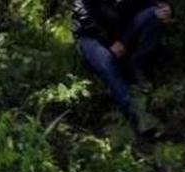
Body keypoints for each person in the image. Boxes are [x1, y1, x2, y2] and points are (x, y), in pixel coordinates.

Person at [71, 0, 172, 135]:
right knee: (106, 63)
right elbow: (86, 18)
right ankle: (136, 113)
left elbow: (151, 4)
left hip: (122, 30)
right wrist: (112, 42)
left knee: (154, 15)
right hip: (91, 35)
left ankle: (138, 67)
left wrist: (166, 9)